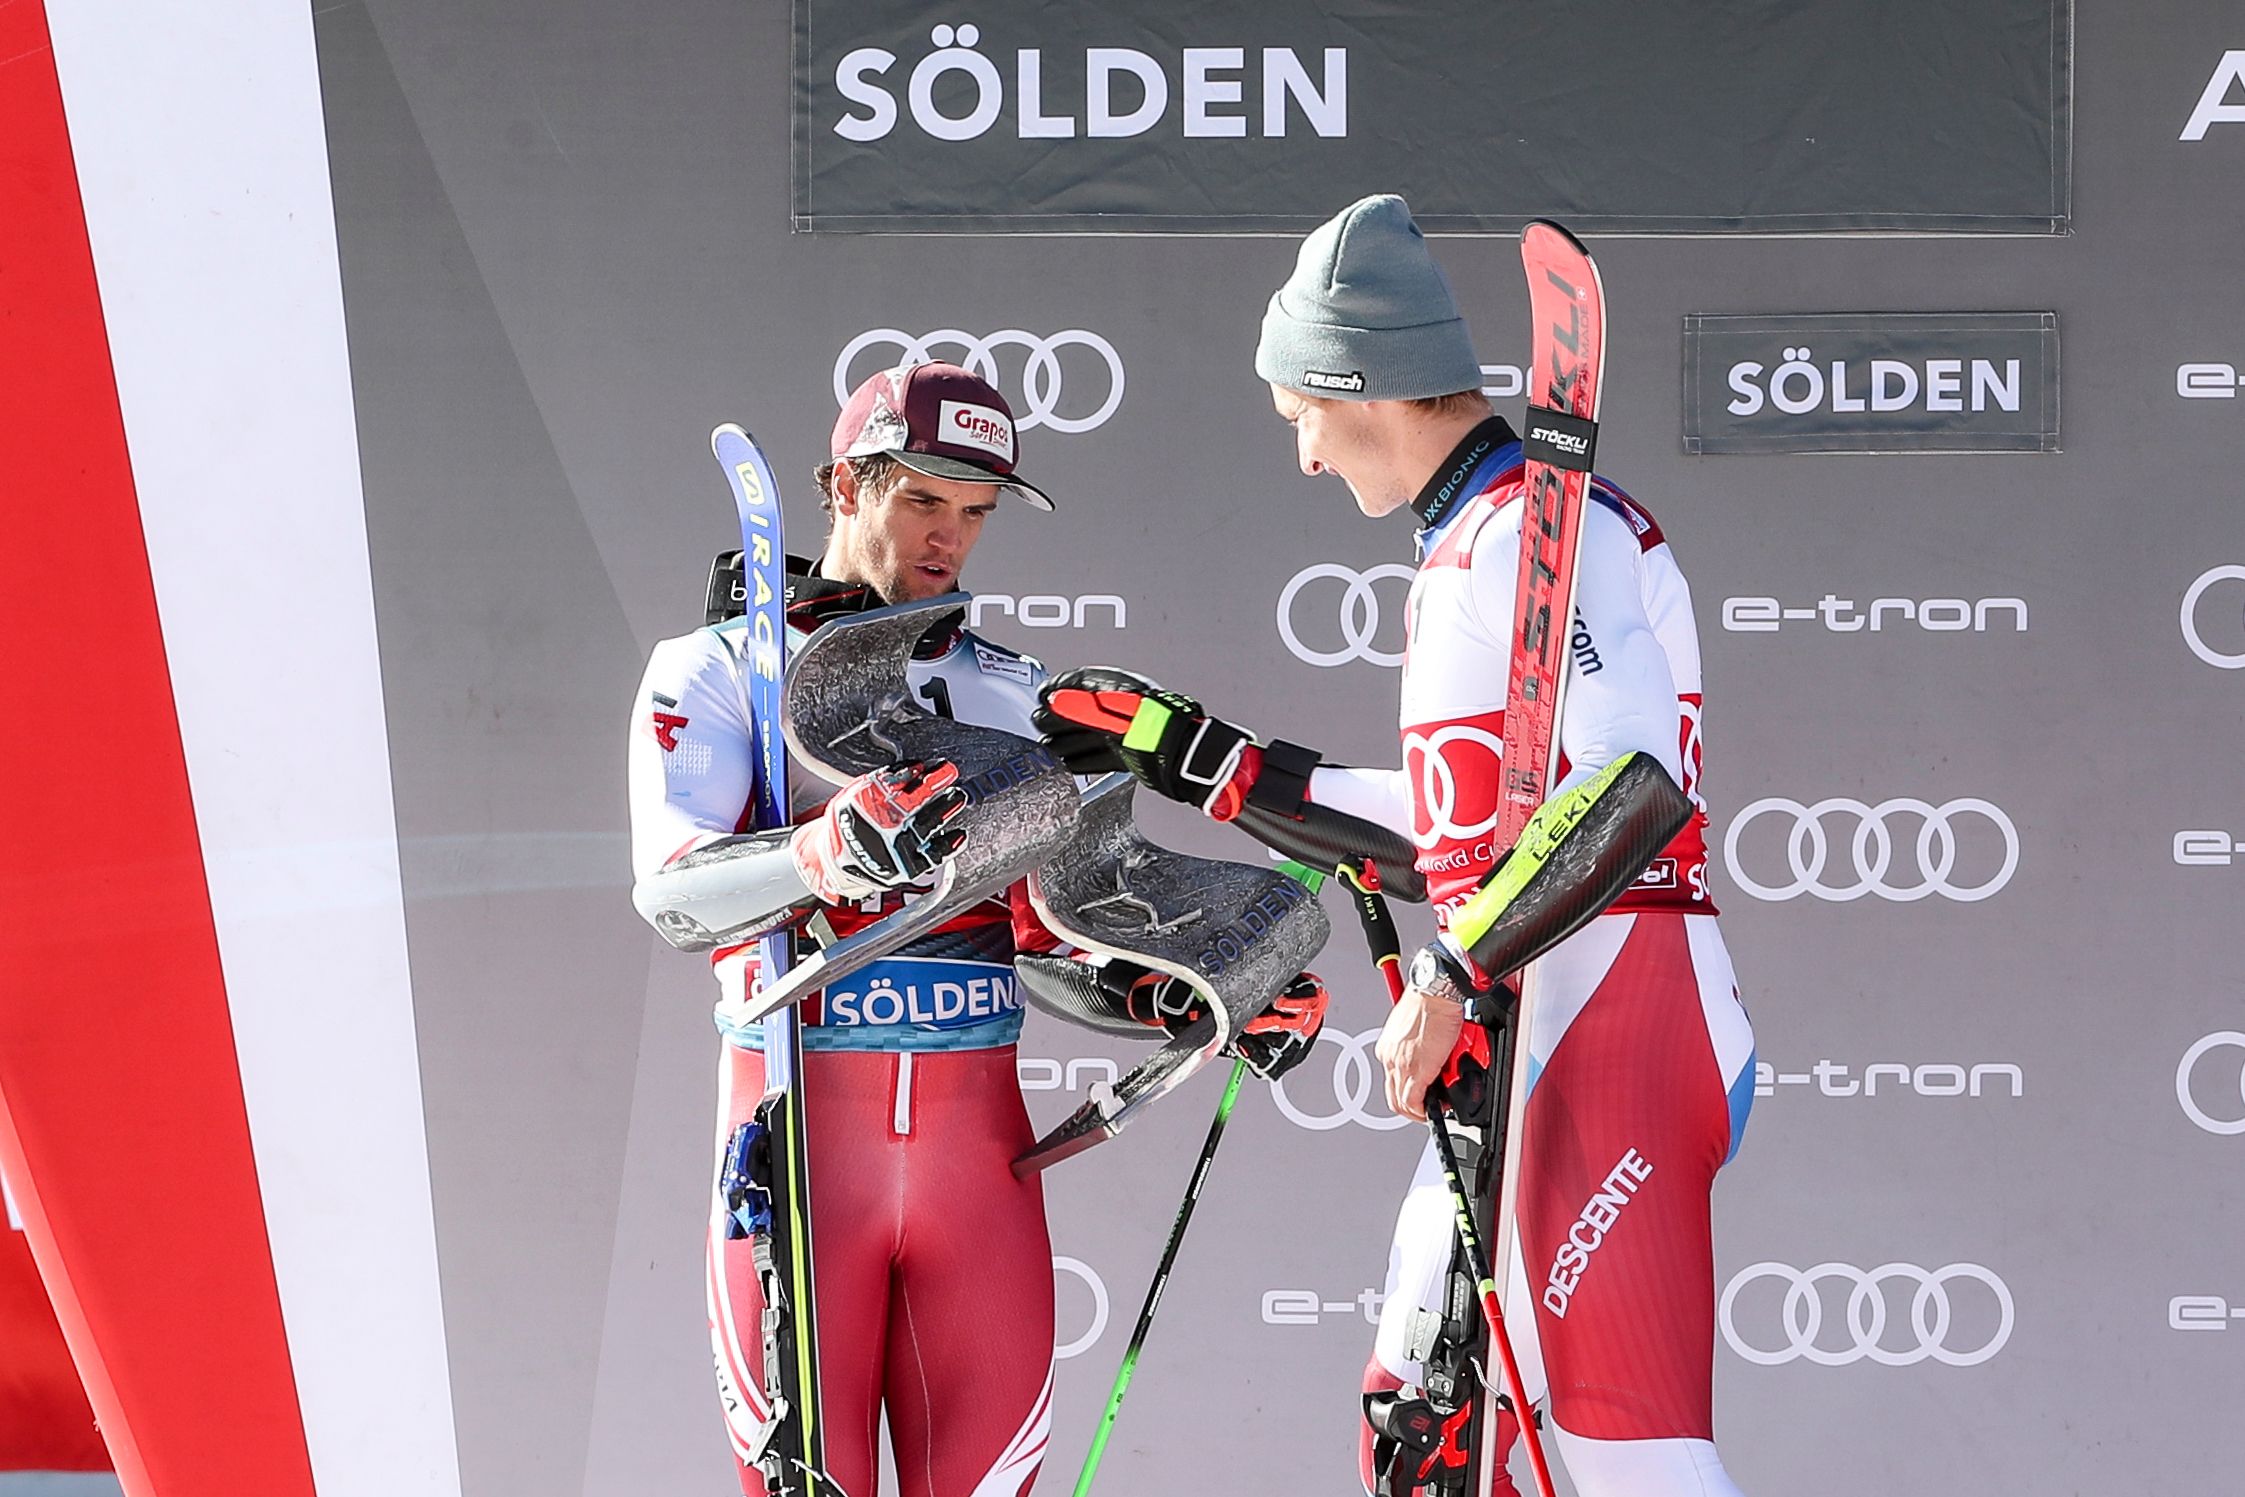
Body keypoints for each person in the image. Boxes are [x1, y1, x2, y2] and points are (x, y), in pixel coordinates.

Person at [1033, 196, 1755, 1497]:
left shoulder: (1551, 529)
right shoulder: (1475, 548)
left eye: (1299, 415)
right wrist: (1205, 758)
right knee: (1425, 1431)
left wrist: (1450, 975)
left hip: (1619, 1016)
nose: (1305, 456)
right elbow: (1466, 838)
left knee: (1620, 1451)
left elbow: (1634, 785)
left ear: (1351, 382)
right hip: (1538, 1019)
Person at [627, 361, 1326, 1497]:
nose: (948, 536)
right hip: (801, 1150)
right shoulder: (712, 671)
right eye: (921, 500)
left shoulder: (1018, 692)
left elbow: (1050, 942)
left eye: (974, 511)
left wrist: (1185, 995)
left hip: (976, 1171)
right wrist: (823, 851)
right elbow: (670, 895)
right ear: (842, 485)